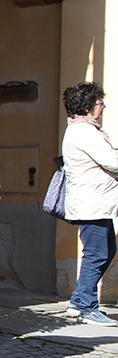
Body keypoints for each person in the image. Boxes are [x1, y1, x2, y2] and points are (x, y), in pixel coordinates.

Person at [61, 82, 118, 326]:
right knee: (97, 254)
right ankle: (86, 306)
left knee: (106, 251)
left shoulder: (83, 129)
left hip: (97, 203)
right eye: (99, 102)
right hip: (91, 203)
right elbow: (112, 161)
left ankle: (78, 300)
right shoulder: (84, 132)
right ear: (86, 106)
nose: (102, 106)